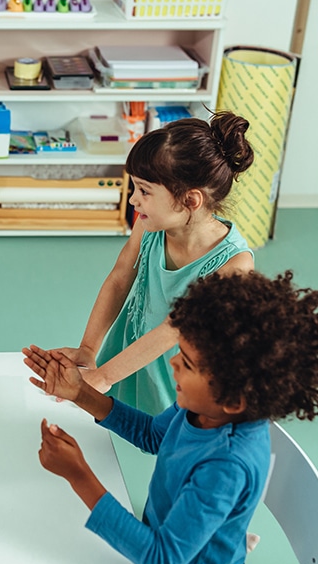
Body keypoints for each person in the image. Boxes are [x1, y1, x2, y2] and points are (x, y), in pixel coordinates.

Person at [25, 270, 318, 564]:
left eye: (189, 364)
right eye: (181, 352)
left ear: (234, 398)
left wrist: (79, 475)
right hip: (165, 538)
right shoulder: (204, 407)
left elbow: (162, 559)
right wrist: (80, 392)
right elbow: (152, 435)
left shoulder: (227, 465)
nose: (173, 362)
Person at [31, 111, 256, 415]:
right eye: (135, 187)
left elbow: (172, 329)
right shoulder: (150, 224)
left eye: (145, 191)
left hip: (177, 379)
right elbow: (120, 277)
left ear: (191, 200)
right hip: (130, 354)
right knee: (117, 427)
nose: (134, 200)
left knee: (157, 439)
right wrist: (88, 350)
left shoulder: (233, 265)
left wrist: (102, 376)